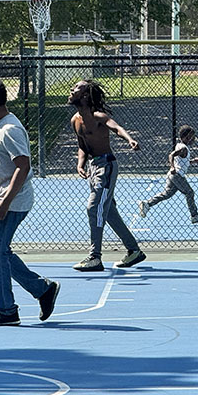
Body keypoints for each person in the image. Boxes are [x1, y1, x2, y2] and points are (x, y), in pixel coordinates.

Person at [0, 77, 59, 326]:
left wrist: (5, 202)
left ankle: (7, 309)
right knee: (0, 251)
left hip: (12, 201)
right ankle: (42, 290)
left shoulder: (10, 128)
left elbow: (23, 167)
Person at [68, 79, 146, 271]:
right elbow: (82, 146)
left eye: (77, 88)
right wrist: (80, 164)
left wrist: (130, 139)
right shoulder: (75, 121)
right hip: (94, 168)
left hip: (107, 166)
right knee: (109, 212)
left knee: (94, 207)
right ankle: (134, 250)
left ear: (85, 96)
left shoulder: (98, 116)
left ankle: (95, 257)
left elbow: (116, 127)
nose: (72, 90)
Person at [139, 125, 198, 224]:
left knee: (166, 194)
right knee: (189, 192)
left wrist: (192, 161)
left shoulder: (182, 147)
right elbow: (171, 155)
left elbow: (182, 161)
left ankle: (147, 204)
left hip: (173, 176)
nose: (193, 139)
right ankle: (194, 215)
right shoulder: (183, 148)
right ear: (186, 137)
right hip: (177, 175)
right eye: (191, 137)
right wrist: (172, 167)